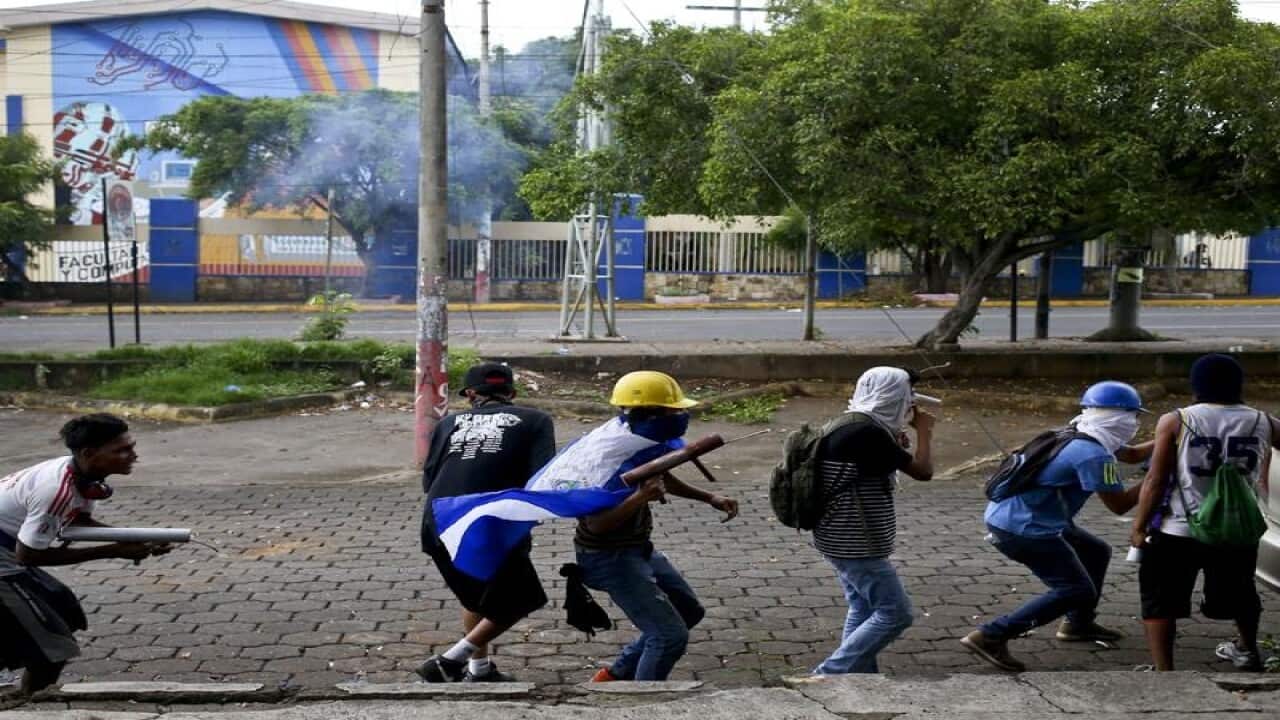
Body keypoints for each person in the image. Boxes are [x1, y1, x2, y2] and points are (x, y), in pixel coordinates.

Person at [962, 381, 1152, 672]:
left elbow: (1134, 454)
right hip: (1026, 530)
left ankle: (1078, 624)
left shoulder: (1075, 432)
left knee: (1095, 551)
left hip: (1013, 516)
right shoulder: (1094, 455)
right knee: (1075, 590)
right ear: (1119, 417)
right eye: (1134, 416)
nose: (1136, 423)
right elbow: (1120, 505)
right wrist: (1158, 477)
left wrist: (1173, 436)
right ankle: (991, 635)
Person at [577, 371, 739, 682]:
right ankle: (644, 701)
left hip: (638, 548)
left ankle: (616, 676)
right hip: (608, 558)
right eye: (673, 411)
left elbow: (659, 473)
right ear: (649, 414)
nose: (681, 416)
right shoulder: (608, 458)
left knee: (689, 611)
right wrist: (641, 498)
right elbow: (596, 525)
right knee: (667, 636)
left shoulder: (638, 441)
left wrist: (709, 497)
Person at [0, 414, 170, 697]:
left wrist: (131, 537)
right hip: (10, 557)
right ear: (89, 453)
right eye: (122, 450)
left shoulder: (82, 476)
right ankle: (30, 705)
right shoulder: (56, 489)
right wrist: (114, 550)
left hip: (10, 551)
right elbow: (28, 556)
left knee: (63, 608)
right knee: (54, 646)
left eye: (132, 447)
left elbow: (76, 520)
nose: (133, 455)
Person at [1130, 354, 1276, 671]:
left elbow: (1156, 480)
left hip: (1178, 528)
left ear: (1196, 386)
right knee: (1241, 593)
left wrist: (1139, 526)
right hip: (1236, 529)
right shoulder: (1264, 421)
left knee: (1161, 600)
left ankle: (1164, 670)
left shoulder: (1176, 420)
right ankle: (1248, 651)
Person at [416, 362, 556, 683]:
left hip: (439, 523)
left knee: (477, 599)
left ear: (470, 394)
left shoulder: (447, 423)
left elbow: (429, 480)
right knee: (523, 600)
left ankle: (478, 671)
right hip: (492, 523)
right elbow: (542, 478)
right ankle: (449, 661)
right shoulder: (536, 420)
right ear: (512, 394)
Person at [811, 366, 936, 675]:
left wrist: (894, 439)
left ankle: (858, 679)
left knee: (863, 607)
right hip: (855, 541)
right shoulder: (867, 434)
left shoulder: (850, 423)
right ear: (894, 396)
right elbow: (923, 471)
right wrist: (925, 431)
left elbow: (875, 463)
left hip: (837, 536)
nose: (912, 403)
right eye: (908, 395)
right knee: (896, 612)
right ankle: (828, 675)